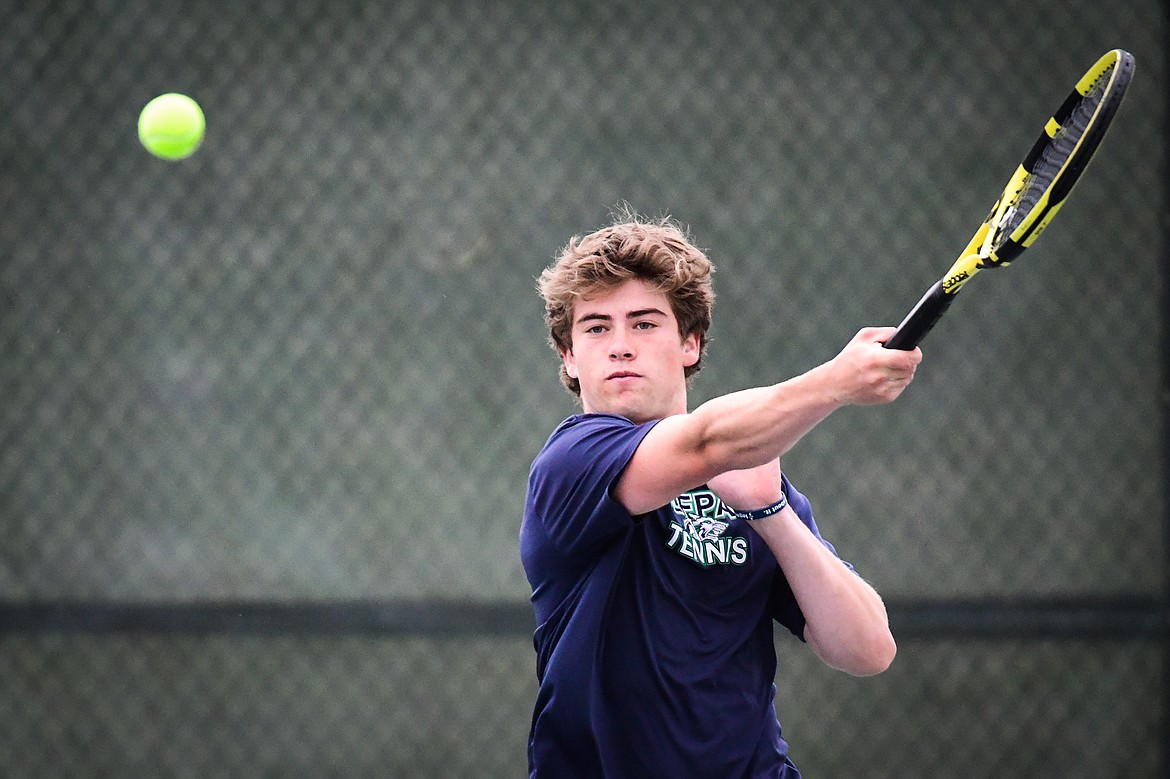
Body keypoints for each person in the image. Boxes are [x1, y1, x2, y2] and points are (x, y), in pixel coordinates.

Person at [520, 212, 922, 778]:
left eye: (644, 324)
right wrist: (836, 382)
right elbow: (706, 441)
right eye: (595, 328)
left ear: (690, 342)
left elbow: (868, 649)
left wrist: (772, 513)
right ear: (568, 355)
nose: (620, 347)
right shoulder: (572, 463)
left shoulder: (750, 475)